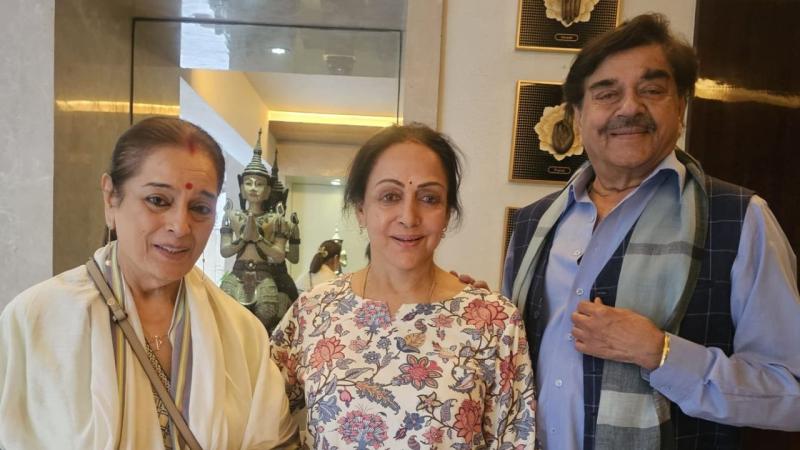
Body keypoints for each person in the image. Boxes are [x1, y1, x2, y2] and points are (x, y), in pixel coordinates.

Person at [503, 13, 800, 450]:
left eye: (652, 90)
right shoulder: (533, 223)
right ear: (578, 116)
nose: (629, 108)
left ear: (680, 107)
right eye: (607, 93)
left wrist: (660, 353)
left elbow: (790, 392)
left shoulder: (740, 219)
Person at [0, 117, 297, 449]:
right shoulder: (36, 320)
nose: (180, 226)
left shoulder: (242, 332)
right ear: (110, 198)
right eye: (158, 200)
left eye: (200, 208)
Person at [270, 123, 537, 449]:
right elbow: (258, 423)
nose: (409, 217)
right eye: (390, 197)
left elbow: (515, 440)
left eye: (429, 198)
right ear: (361, 210)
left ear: (447, 213)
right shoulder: (314, 312)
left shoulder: (493, 322)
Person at [220, 130, 301, 332]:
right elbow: (225, 251)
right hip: (237, 273)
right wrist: (242, 240)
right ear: (241, 187)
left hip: (264, 275)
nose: (253, 188)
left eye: (259, 184)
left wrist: (257, 239)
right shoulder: (232, 215)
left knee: (265, 319)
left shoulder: (275, 220)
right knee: (228, 321)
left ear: (267, 191)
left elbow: (280, 254)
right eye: (248, 183)